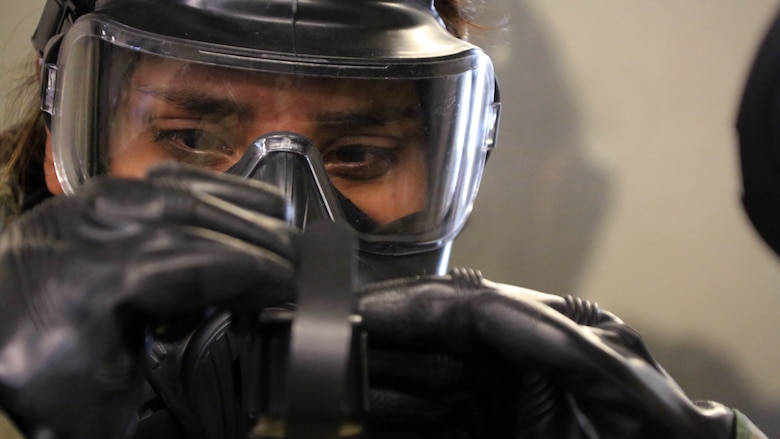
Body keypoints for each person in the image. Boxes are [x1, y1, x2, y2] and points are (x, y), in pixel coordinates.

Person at [0, 1, 768, 438]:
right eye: (193, 139)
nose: (292, 219)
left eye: (361, 152)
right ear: (60, 147)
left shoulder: (522, 417)